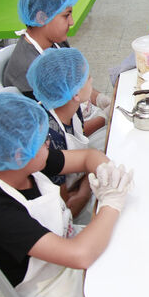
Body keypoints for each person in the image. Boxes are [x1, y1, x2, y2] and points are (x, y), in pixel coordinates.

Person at [0, 92, 133, 297]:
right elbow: (80, 255)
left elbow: (88, 156)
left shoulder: (21, 163)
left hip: (68, 245)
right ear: (21, 155)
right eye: (43, 141)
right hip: (52, 286)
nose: (48, 144)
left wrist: (107, 171)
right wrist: (111, 203)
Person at [2, 0, 110, 137]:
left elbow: (75, 82)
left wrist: (100, 99)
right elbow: (60, 131)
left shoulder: (55, 41)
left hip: (77, 115)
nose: (71, 22)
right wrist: (105, 117)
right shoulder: (29, 71)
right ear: (41, 18)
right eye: (66, 15)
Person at [27, 47, 101, 222]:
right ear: (75, 93)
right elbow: (68, 207)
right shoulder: (49, 139)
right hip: (61, 214)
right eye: (87, 78)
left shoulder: (72, 110)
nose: (91, 80)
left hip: (81, 177)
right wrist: (87, 187)